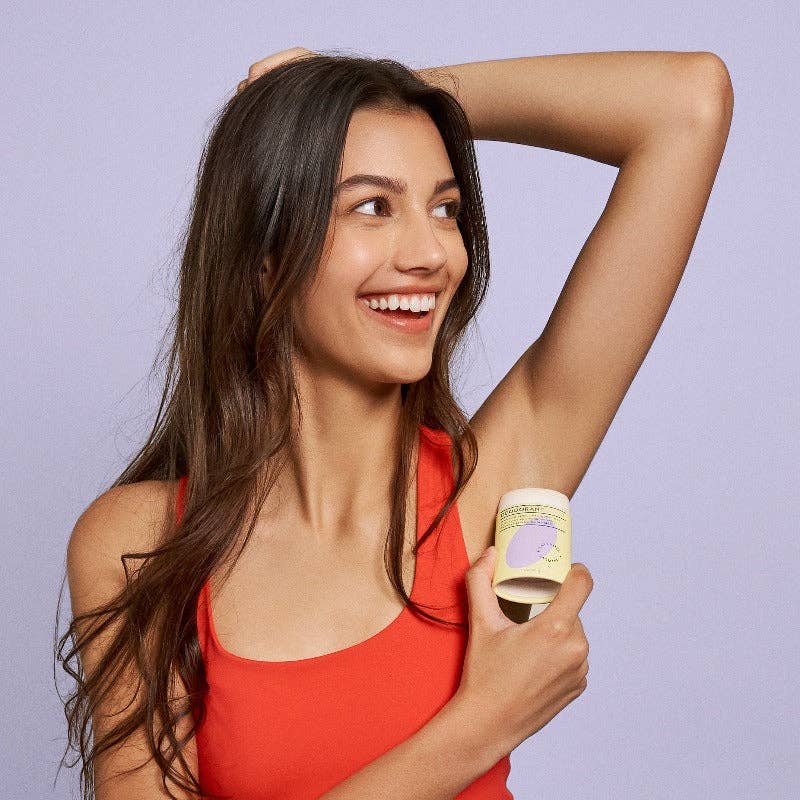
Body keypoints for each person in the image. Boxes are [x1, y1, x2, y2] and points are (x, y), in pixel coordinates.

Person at [57, 47, 732, 799]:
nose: (433, 253)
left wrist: (389, 96)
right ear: (265, 258)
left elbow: (686, 102)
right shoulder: (142, 548)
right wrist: (481, 725)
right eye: (373, 206)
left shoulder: (487, 491)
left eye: (445, 209)